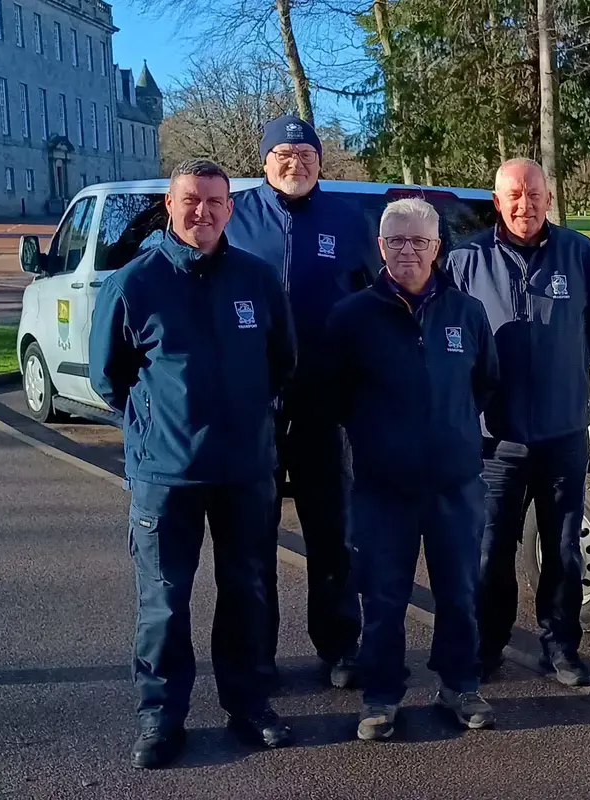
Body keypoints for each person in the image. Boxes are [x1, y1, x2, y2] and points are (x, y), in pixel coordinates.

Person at [89, 159, 297, 769]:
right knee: (163, 600)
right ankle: (161, 716)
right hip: (166, 477)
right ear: (170, 206)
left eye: (214, 201)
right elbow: (110, 378)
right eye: (190, 200)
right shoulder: (133, 283)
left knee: (248, 594)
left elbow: (282, 364)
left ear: (230, 209)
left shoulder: (258, 281)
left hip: (245, 472)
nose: (202, 212)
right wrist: (159, 427)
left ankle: (250, 704)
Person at [325, 197, 500, 740]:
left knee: (459, 594)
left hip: (454, 486)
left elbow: (484, 384)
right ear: (380, 247)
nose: (407, 250)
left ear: (437, 248)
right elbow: (334, 396)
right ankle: (380, 698)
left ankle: (460, 686)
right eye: (396, 241)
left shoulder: (466, 313)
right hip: (383, 489)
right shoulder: (351, 317)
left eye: (418, 241)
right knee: (382, 599)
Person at [447, 158, 590, 687]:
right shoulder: (464, 261)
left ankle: (561, 646)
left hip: (563, 430)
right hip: (493, 438)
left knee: (563, 544)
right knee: (491, 547)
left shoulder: (581, 253)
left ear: (549, 197)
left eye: (534, 193)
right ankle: (487, 644)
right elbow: (451, 339)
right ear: (496, 202)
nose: (525, 204)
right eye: (513, 195)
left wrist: (562, 365)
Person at [226, 114, 371, 690]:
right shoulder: (234, 218)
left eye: (306, 154)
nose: (296, 162)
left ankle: (339, 646)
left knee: (332, 533)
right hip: (254, 407)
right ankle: (258, 656)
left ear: (320, 163)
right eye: (284, 153)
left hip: (323, 405)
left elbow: (374, 301)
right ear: (264, 162)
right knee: (252, 537)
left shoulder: (348, 220)